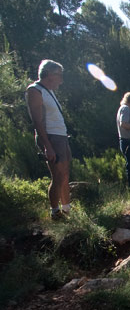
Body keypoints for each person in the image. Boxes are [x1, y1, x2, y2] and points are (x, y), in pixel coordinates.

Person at [25, 59, 72, 220]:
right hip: (50, 137)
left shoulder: (48, 90)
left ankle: (67, 210)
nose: (61, 80)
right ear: (50, 75)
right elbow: (37, 121)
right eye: (59, 75)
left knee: (65, 174)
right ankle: (55, 213)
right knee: (58, 176)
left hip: (60, 136)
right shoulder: (35, 91)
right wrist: (48, 146)